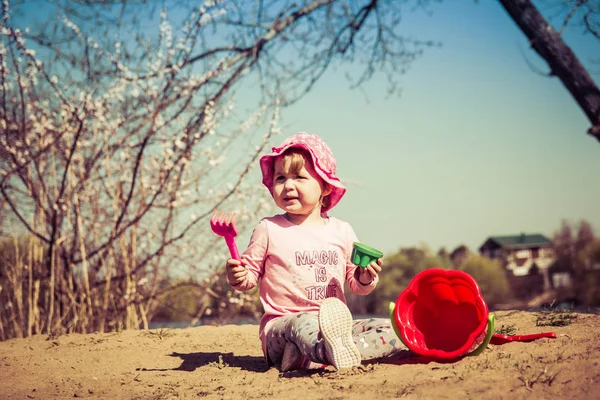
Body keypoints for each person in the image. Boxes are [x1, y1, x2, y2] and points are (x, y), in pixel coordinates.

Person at [224, 132, 405, 371]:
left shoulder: (342, 231)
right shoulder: (268, 229)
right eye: (280, 178)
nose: (288, 185)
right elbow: (249, 277)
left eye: (299, 177)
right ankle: (324, 353)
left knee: (392, 328)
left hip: (335, 326)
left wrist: (366, 275)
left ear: (325, 187)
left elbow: (357, 284)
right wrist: (237, 276)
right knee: (301, 324)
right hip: (282, 328)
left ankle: (320, 354)